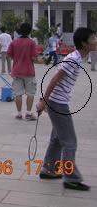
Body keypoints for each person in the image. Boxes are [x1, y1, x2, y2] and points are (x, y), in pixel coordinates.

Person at [36, 27, 96, 191]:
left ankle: (49, 169)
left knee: (57, 138)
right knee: (70, 141)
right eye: (93, 38)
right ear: (84, 43)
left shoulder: (76, 57)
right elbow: (55, 79)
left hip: (57, 102)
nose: (95, 41)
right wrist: (43, 101)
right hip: (58, 103)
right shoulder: (73, 60)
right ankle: (71, 178)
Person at [7, 22, 41, 120]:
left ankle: (19, 114)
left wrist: (16, 60)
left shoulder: (14, 42)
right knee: (30, 93)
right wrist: (41, 61)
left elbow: (9, 55)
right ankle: (28, 113)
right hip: (29, 72)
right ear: (30, 31)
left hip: (17, 71)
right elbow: (34, 58)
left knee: (18, 94)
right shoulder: (31, 43)